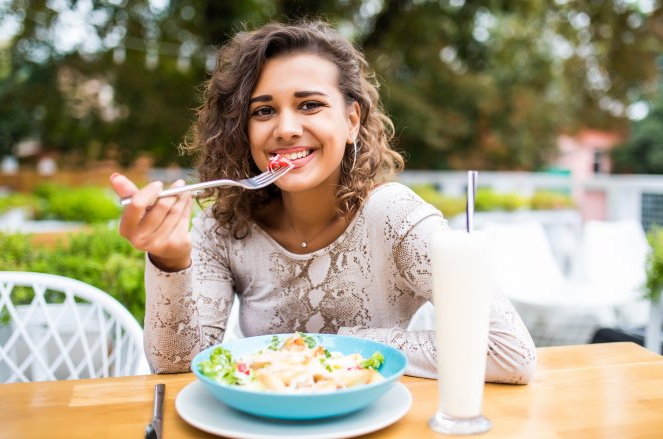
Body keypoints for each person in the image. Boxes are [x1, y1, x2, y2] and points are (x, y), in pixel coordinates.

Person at [110, 20, 536, 383]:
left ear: (351, 121)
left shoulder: (395, 218)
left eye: (310, 105)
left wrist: (336, 347)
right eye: (263, 111)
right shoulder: (222, 229)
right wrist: (170, 259)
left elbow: (510, 352)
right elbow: (176, 369)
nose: (286, 128)